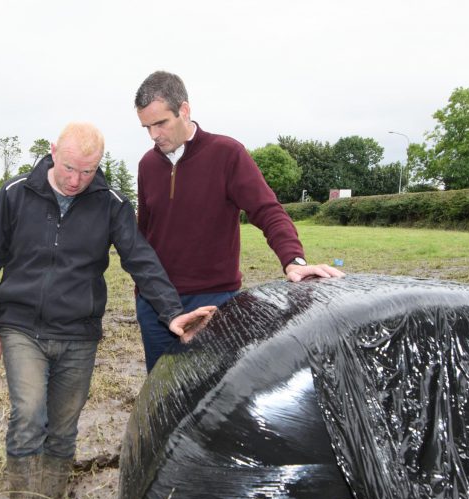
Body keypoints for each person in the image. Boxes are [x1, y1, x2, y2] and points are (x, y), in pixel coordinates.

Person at [0, 122, 215, 499]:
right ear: (52, 152)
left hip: (79, 333)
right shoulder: (14, 194)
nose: (75, 180)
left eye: (87, 171)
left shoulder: (110, 205)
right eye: (68, 168)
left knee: (63, 430)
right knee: (29, 415)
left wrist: (173, 312)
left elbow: (140, 258)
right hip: (22, 326)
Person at [133, 70, 345, 371]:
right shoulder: (146, 165)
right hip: (155, 304)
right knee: (161, 393)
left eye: (160, 123)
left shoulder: (227, 154)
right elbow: (144, 235)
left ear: (184, 110)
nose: (154, 135)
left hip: (213, 300)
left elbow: (267, 210)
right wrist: (143, 293)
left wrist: (293, 260)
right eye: (146, 127)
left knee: (214, 393)